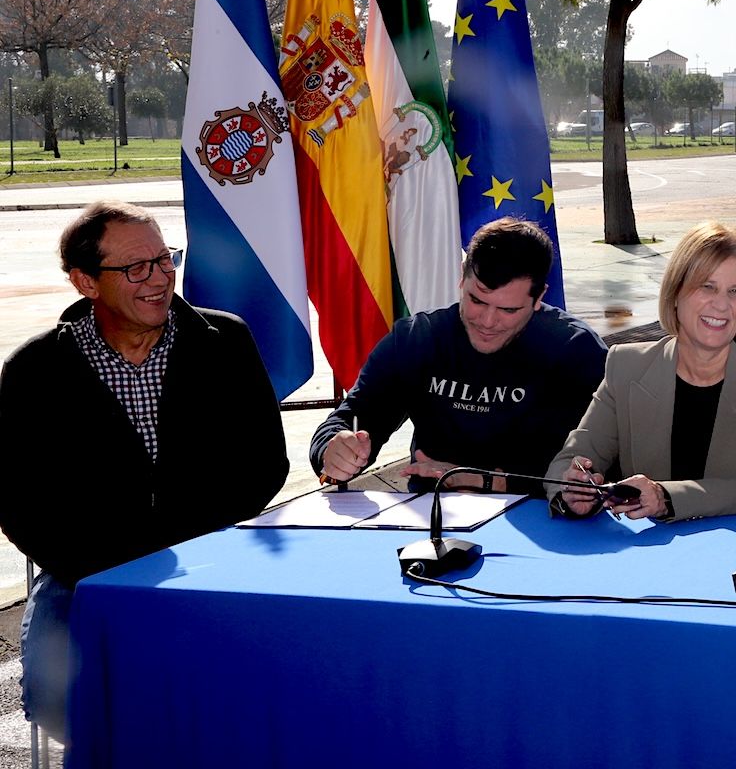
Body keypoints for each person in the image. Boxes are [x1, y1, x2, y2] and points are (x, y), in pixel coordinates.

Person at [0, 201, 287, 742]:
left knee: (255, 683)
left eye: (164, 259)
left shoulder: (224, 342)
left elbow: (265, 462)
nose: (158, 279)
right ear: (85, 281)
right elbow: (18, 499)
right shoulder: (36, 371)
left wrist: (193, 549)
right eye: (136, 267)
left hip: (213, 560)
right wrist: (102, 570)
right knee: (57, 700)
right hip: (85, 573)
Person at [312, 218, 605, 493]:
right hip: (434, 514)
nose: (487, 321)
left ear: (539, 297)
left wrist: (481, 481)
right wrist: (333, 450)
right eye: (477, 300)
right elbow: (351, 418)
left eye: (508, 310)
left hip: (543, 514)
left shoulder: (575, 350)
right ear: (462, 279)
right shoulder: (417, 339)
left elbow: (600, 462)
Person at [549, 222, 736, 521]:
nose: (721, 304)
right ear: (675, 293)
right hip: (647, 548)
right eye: (707, 286)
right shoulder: (626, 366)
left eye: (735, 291)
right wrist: (573, 489)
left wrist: (666, 498)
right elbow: (571, 459)